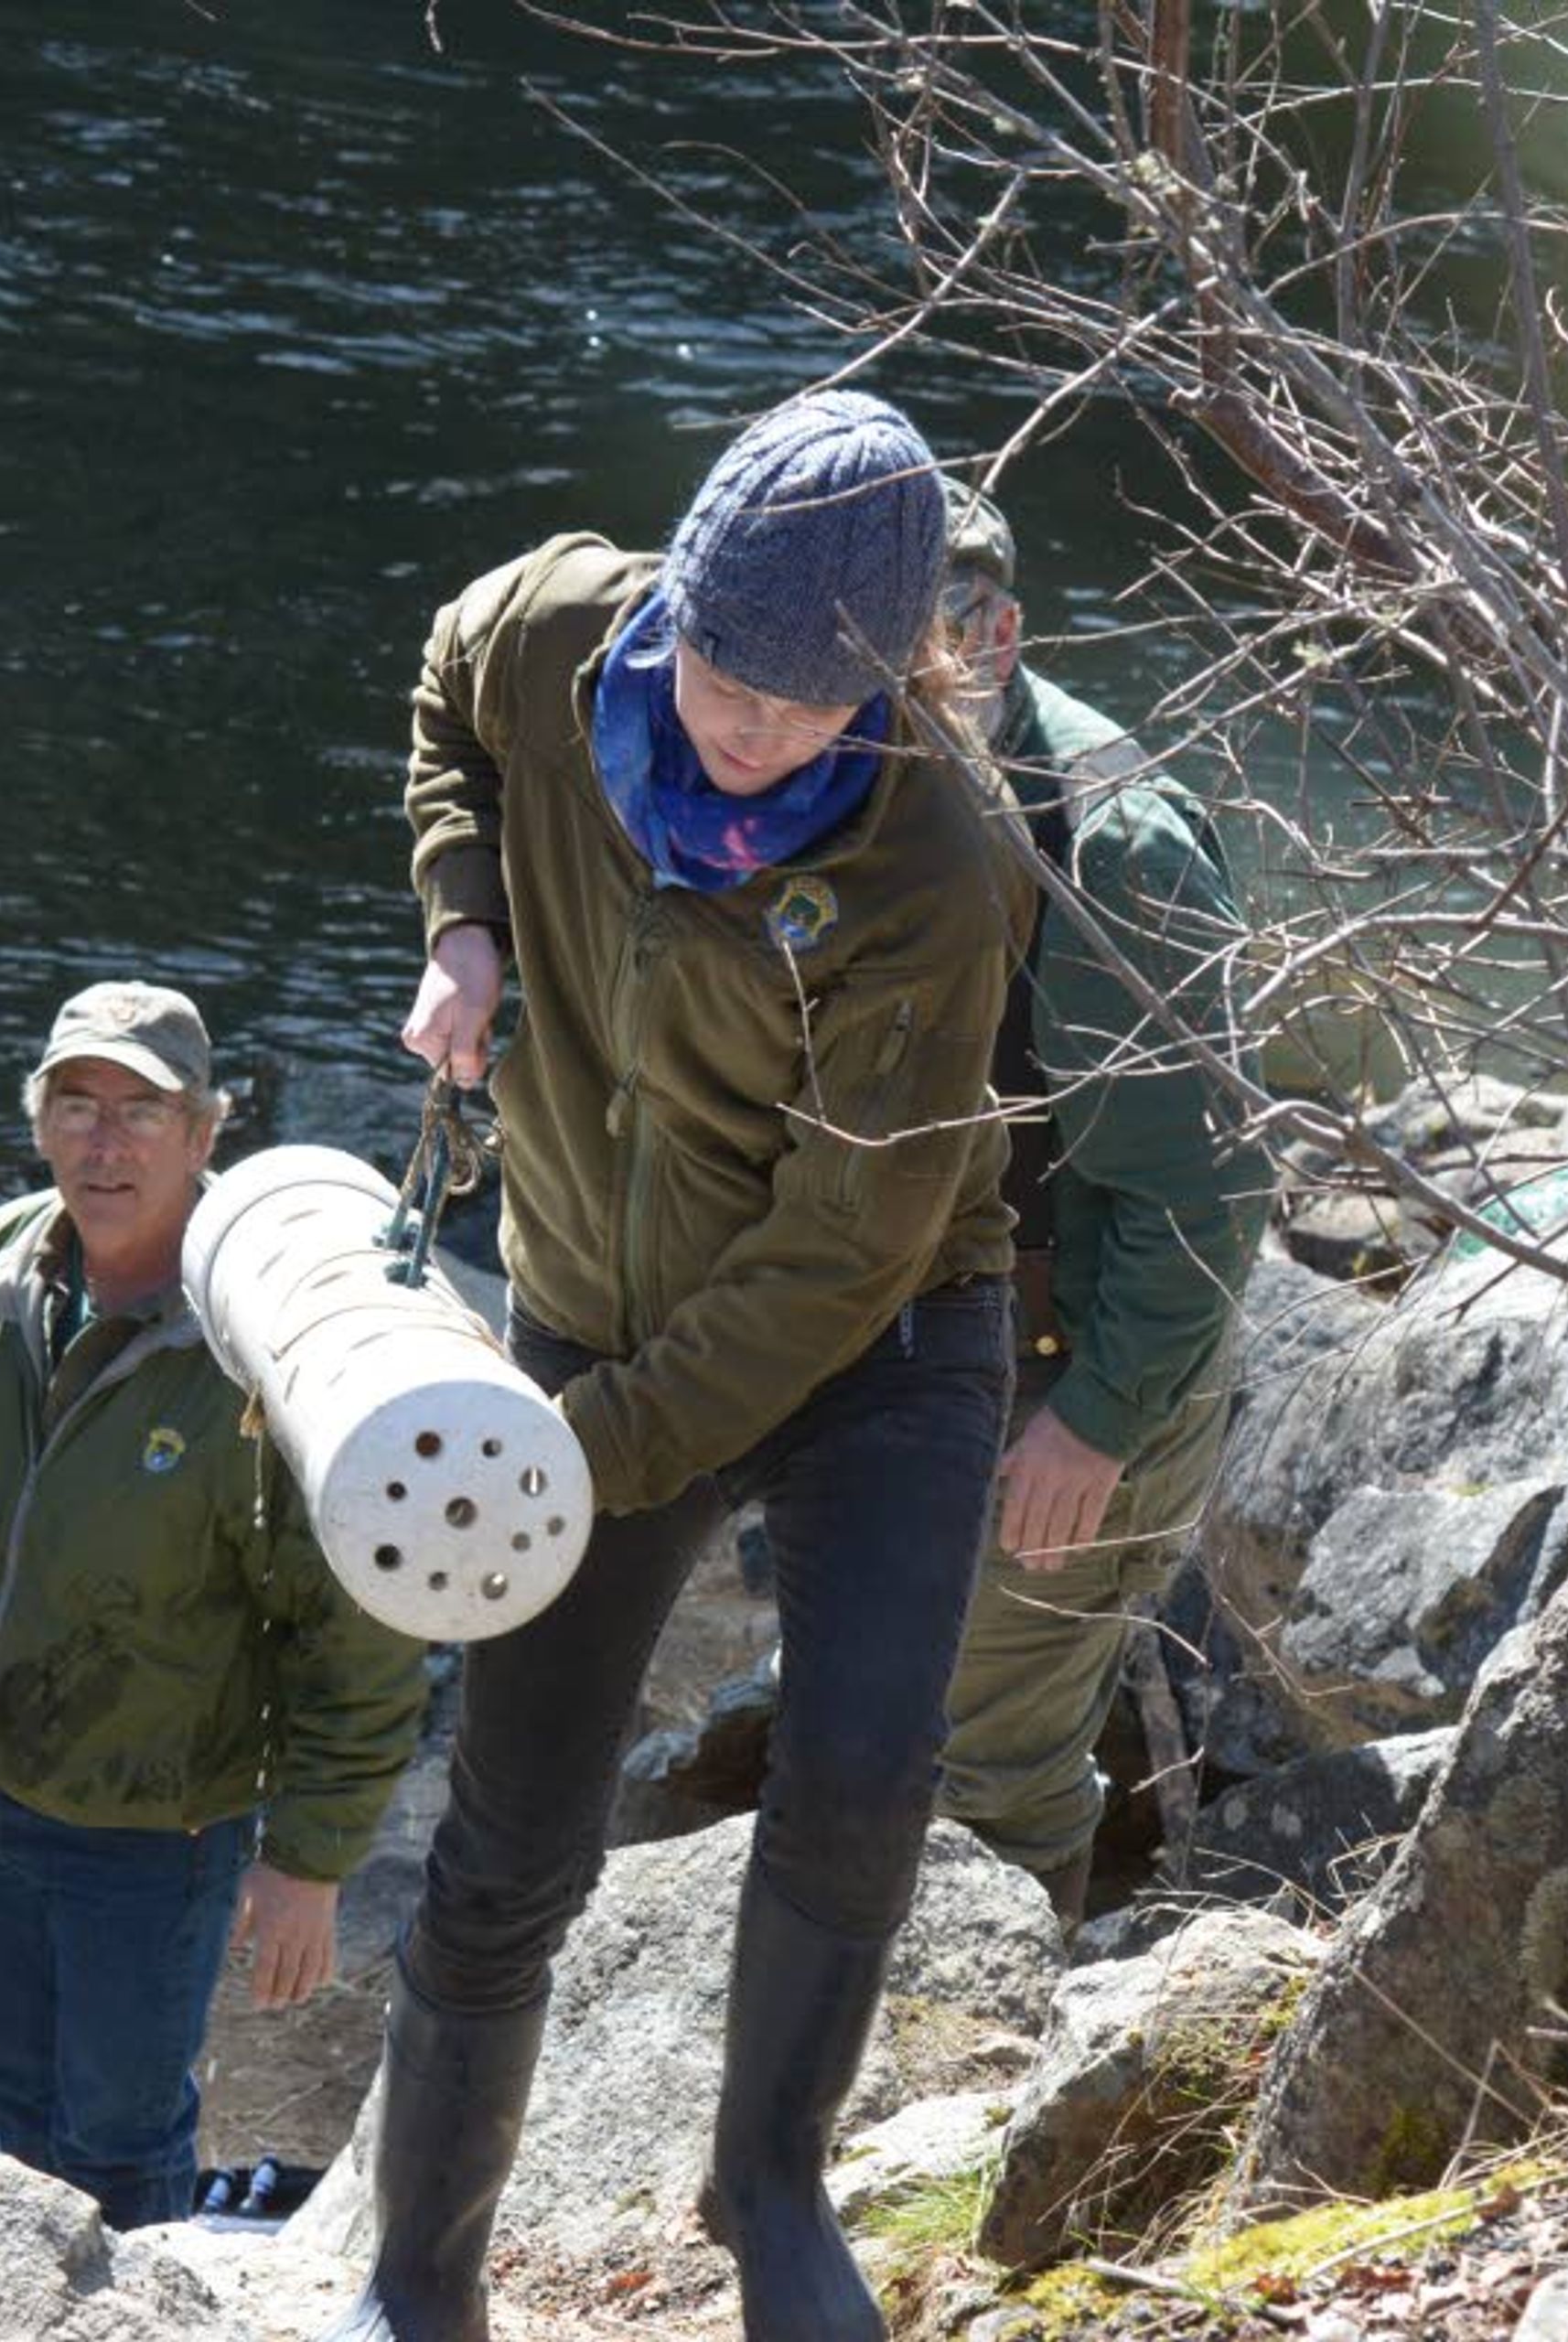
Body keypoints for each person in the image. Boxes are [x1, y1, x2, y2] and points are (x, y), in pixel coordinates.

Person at [331, 389, 1026, 2342]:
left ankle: (772, 2179)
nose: (744, 730)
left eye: (803, 711)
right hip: (588, 1299)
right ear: (676, 606)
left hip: (878, 1338)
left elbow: (831, 1254)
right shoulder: (561, 630)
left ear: (887, 683)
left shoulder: (936, 864)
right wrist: (464, 916)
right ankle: (416, 2277)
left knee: (869, 1755)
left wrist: (580, 1450)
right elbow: (442, 687)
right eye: (723, 677)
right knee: (509, 1836)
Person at [0, 982, 428, 2232]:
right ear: (40, 1122)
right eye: (78, 1105)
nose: (104, 1141)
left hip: (156, 1827)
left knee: (121, 2137)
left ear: (206, 1131)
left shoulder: (261, 1340)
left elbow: (358, 1630)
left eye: (141, 1109)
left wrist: (308, 1860)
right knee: (11, 2093)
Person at [927, 481, 1270, 1928]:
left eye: (922, 650)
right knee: (873, 1722)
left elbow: (1212, 1191)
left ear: (999, 637)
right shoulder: (874, 778)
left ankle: (978, 2105)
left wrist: (1100, 1424)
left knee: (981, 1774)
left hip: (1079, 1378)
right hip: (940, 1345)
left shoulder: (1113, 847)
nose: (872, 689)